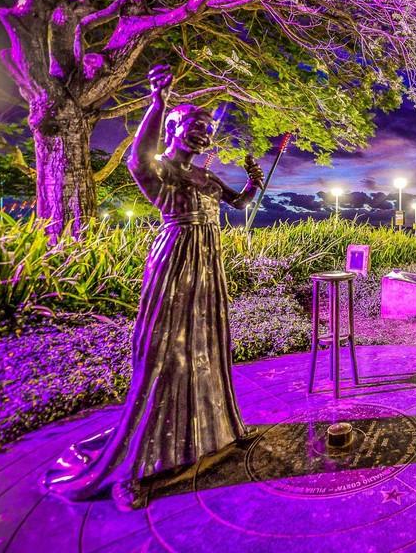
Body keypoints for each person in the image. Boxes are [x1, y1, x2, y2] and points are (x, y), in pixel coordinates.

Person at [44, 65, 264, 509]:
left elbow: (239, 204)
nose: (202, 135)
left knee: (206, 345)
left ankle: (218, 432)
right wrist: (157, 101)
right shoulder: (159, 170)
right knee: (167, 350)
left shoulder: (207, 177)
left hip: (207, 264)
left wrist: (254, 181)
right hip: (176, 259)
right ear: (173, 129)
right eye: (193, 127)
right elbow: (135, 160)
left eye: (206, 129)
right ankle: (141, 465)